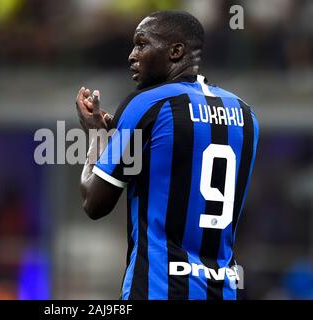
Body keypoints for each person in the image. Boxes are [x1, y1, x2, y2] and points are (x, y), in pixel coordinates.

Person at [75, 10, 259, 300]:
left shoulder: (145, 104)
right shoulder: (245, 113)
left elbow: (94, 203)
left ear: (176, 51)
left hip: (157, 288)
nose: (132, 55)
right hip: (223, 290)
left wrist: (97, 135)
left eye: (142, 44)